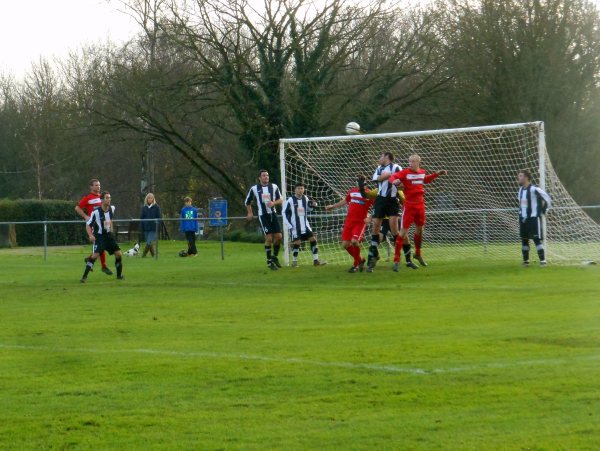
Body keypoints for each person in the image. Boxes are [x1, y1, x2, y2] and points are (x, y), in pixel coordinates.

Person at [389, 154, 447, 271]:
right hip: (409, 206)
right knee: (403, 232)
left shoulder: (421, 171)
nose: (410, 163)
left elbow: (425, 180)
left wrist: (437, 174)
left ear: (418, 162)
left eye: (413, 161)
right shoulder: (405, 172)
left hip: (420, 205)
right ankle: (396, 259)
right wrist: (394, 181)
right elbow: (392, 177)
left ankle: (418, 254)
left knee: (420, 230)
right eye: (409, 161)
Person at [325, 176, 376, 272]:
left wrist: (370, 217)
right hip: (349, 221)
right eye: (358, 182)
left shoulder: (369, 194)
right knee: (345, 245)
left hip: (360, 222)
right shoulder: (352, 191)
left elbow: (376, 207)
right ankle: (360, 260)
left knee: (354, 241)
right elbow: (345, 201)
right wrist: (333, 206)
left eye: (362, 183)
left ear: (365, 184)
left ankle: (355, 265)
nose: (360, 185)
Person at [366, 152, 403, 272]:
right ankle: (372, 257)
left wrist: (396, 181)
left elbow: (401, 182)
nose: (379, 159)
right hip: (380, 199)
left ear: (387, 157)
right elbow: (376, 179)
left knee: (394, 228)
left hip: (392, 199)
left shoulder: (397, 167)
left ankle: (398, 257)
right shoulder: (379, 168)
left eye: (380, 156)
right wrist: (386, 176)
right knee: (375, 226)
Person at [80, 191, 123, 282]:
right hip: (99, 237)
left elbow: (110, 220)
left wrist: (110, 230)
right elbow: (88, 225)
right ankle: (84, 277)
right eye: (107, 198)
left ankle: (119, 276)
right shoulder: (96, 212)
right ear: (102, 200)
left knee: (118, 254)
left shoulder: (112, 208)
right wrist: (90, 235)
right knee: (95, 256)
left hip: (109, 236)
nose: (109, 200)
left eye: (110, 197)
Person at [245, 169, 284, 270]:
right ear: (259, 178)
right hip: (263, 216)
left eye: (267, 175)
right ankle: (269, 262)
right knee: (269, 238)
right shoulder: (254, 188)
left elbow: (281, 199)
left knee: (279, 237)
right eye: (264, 175)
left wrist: (274, 203)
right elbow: (247, 202)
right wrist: (250, 212)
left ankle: (274, 257)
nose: (266, 177)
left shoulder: (274, 186)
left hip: (273, 214)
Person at [75, 178, 112, 275]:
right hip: (94, 225)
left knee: (101, 246)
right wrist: (85, 216)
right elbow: (77, 208)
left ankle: (89, 259)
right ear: (91, 187)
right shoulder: (88, 198)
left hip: (103, 225)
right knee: (100, 246)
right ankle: (102, 266)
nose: (98, 186)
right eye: (96, 185)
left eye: (99, 185)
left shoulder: (102, 197)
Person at [283, 183, 325, 267]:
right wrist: (289, 225)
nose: (300, 190)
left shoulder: (305, 198)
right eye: (298, 188)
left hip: (305, 225)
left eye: (302, 188)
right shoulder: (291, 200)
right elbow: (284, 212)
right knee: (297, 242)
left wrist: (313, 205)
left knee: (313, 239)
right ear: (295, 190)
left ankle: (315, 260)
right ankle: (294, 262)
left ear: (304, 189)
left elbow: (308, 209)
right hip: (295, 226)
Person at [517, 169, 551, 266]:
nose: (518, 178)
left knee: (536, 239)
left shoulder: (534, 189)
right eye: (519, 176)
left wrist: (543, 210)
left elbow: (547, 198)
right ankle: (526, 261)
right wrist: (520, 214)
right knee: (524, 239)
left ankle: (543, 261)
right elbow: (521, 204)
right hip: (523, 219)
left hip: (533, 219)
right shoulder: (520, 190)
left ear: (526, 178)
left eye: (521, 176)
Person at [140, 192, 162, 257]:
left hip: (153, 227)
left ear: (153, 199)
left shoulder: (156, 207)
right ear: (146, 199)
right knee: (149, 243)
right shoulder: (144, 208)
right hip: (146, 227)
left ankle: (144, 254)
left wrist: (158, 226)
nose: (150, 199)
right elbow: (141, 218)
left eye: (151, 198)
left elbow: (159, 217)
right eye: (149, 198)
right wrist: (141, 227)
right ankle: (153, 255)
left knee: (149, 242)